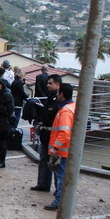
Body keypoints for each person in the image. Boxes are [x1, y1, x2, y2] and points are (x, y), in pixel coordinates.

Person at [44, 83, 76, 211]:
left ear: (62, 94)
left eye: (58, 93)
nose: (56, 95)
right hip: (65, 150)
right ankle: (60, 199)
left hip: (62, 151)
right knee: (61, 176)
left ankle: (59, 201)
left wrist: (55, 147)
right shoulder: (71, 107)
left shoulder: (65, 111)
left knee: (61, 176)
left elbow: (64, 133)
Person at [30, 74, 62, 192]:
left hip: (54, 135)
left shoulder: (59, 100)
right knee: (44, 159)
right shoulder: (50, 97)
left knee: (55, 163)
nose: (47, 85)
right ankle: (43, 184)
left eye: (50, 83)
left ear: (57, 85)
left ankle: (58, 189)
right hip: (45, 134)